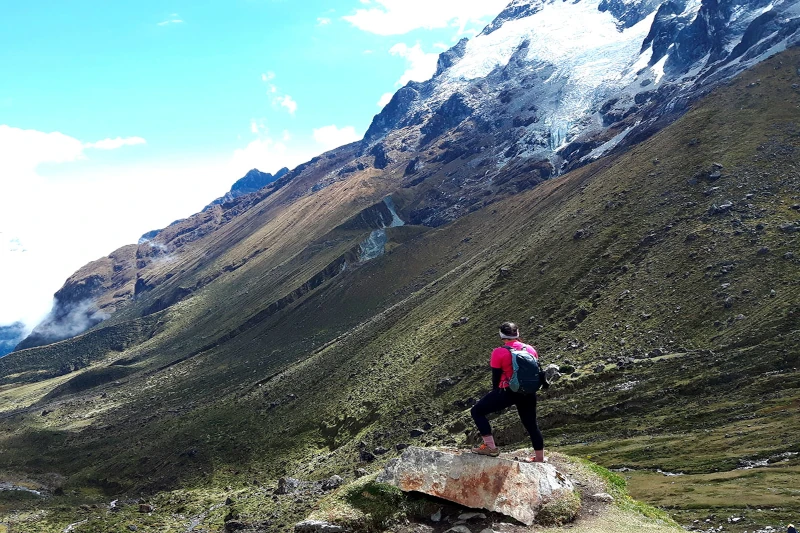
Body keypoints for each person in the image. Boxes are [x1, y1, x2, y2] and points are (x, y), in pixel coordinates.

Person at [470, 321, 548, 461]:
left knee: (477, 411)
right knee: (531, 425)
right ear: (517, 334)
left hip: (508, 391)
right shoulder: (530, 349)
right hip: (528, 392)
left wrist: (495, 394)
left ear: (501, 335)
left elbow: (496, 377)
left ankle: (491, 448)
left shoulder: (499, 352)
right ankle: (540, 457)